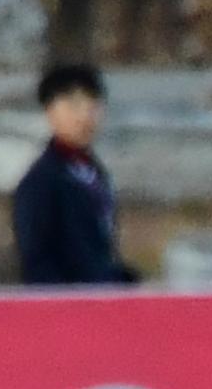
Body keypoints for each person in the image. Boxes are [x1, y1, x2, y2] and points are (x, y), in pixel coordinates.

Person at [11, 61, 131, 285]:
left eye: (93, 105)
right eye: (73, 105)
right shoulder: (40, 182)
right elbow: (36, 261)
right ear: (50, 111)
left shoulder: (95, 174)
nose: (85, 117)